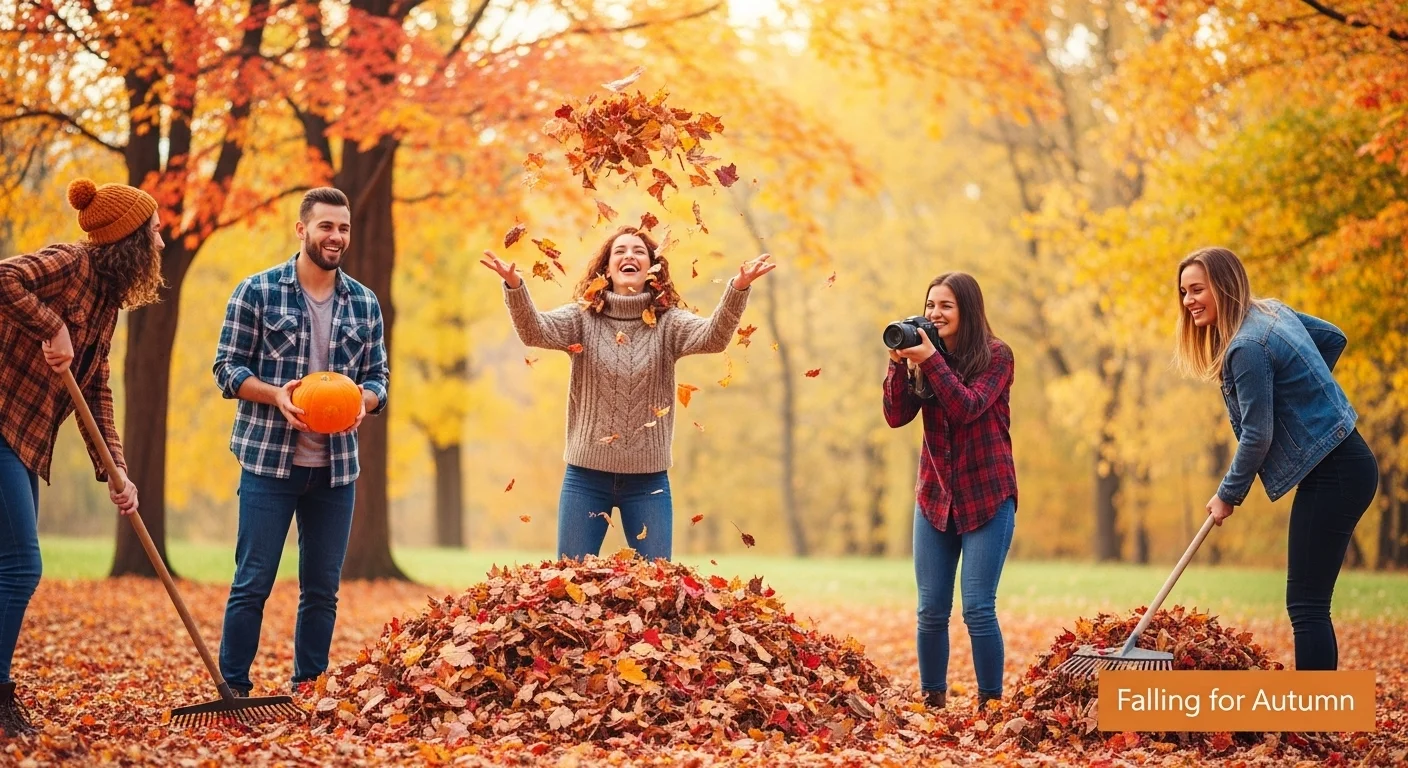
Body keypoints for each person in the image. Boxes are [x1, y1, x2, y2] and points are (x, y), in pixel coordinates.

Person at [480, 225, 775, 561]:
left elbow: (713, 337)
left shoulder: (668, 324)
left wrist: (737, 288)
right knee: (568, 581)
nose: (628, 256)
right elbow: (535, 331)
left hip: (648, 482)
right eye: (619, 251)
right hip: (585, 476)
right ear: (606, 268)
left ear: (652, 268)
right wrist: (515, 286)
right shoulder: (582, 317)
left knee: (658, 583)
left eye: (638, 251)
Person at [0, 178, 162, 735]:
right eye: (155, 232)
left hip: (23, 437)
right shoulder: (71, 262)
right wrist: (52, 325)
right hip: (1, 422)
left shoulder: (109, 300)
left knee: (9, 566)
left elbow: (97, 388)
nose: (161, 243)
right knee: (22, 566)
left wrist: (115, 469)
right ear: (130, 239)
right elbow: (4, 277)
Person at [211, 187, 388, 696]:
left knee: (322, 591)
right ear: (302, 229)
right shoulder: (257, 291)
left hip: (335, 471)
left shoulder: (365, 302)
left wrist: (363, 402)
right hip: (269, 463)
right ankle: (234, 689)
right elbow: (226, 369)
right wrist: (275, 395)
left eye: (344, 228)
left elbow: (379, 378)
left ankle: (308, 686)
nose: (336, 237)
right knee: (253, 582)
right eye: (326, 226)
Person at [1175, 247, 1376, 671]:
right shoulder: (1270, 312)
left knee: (1306, 604)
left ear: (1224, 287)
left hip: (1336, 472)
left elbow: (1257, 434)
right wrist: (1304, 397)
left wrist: (1228, 494)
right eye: (1184, 293)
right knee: (1310, 602)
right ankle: (1318, 718)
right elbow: (1332, 338)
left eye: (1197, 289)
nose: (1188, 301)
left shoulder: (1245, 347)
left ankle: (1316, 721)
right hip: (1346, 463)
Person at [882, 272, 1017, 712]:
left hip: (987, 497)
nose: (934, 314)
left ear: (967, 311)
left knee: (977, 608)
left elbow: (967, 407)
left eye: (946, 306)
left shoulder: (997, 356)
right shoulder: (926, 355)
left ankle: (990, 705)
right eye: (930, 305)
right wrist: (899, 362)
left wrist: (929, 361)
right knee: (930, 609)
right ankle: (933, 699)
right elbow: (896, 416)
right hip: (935, 496)